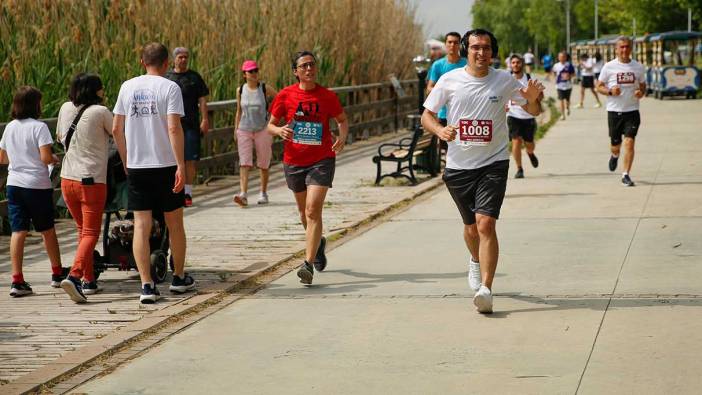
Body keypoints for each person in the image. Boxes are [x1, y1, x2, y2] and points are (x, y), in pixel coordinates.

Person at [421, 29, 543, 313]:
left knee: (486, 224)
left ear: (492, 52)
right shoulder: (449, 80)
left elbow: (533, 109)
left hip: (494, 163)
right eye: (475, 47)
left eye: (486, 48)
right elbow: (427, 115)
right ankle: (475, 261)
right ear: (466, 50)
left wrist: (535, 99)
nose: (481, 53)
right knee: (470, 228)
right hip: (459, 166)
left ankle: (486, 289)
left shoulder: (503, 80)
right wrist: (440, 129)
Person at [113, 42, 195, 304]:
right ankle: (179, 278)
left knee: (141, 225)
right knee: (175, 224)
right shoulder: (170, 87)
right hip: (166, 165)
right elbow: (174, 128)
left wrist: (127, 161)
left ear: (142, 61)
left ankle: (146, 285)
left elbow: (116, 129)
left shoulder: (127, 87)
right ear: (165, 63)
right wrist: (181, 164)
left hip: (137, 165)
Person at [267, 51, 349, 285]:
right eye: (304, 66)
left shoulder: (327, 96)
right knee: (304, 213)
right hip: (293, 160)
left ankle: (308, 264)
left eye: (312, 64)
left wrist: (342, 137)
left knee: (313, 210)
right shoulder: (285, 95)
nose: (309, 69)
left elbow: (342, 119)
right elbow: (269, 126)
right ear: (296, 72)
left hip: (321, 158)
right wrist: (280, 130)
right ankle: (318, 244)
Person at [0, 86, 67, 297]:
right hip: (36, 185)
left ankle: (17, 279)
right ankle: (57, 273)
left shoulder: (10, 127)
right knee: (46, 229)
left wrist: (20, 158)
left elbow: (2, 158)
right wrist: (54, 159)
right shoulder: (39, 127)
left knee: (18, 230)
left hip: (14, 184)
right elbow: (46, 157)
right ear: (34, 104)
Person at [56, 73, 113, 303]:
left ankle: (89, 280)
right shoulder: (101, 112)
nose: (103, 91)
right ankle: (76, 276)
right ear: (95, 91)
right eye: (101, 88)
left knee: (82, 230)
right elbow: (119, 134)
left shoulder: (64, 108)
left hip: (67, 179)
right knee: (91, 233)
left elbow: (60, 137)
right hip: (91, 181)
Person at [595, 36, 646, 187]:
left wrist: (640, 93)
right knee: (615, 144)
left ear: (631, 49)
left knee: (629, 143)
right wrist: (610, 91)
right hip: (614, 111)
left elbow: (643, 86)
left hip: (632, 111)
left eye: (627, 47)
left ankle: (625, 174)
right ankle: (614, 155)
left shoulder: (638, 67)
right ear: (616, 50)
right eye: (621, 47)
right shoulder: (609, 67)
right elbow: (599, 86)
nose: (624, 50)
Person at [165, 47, 210, 207]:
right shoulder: (167, 77)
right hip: (172, 124)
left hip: (191, 124)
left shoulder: (194, 77)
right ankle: (175, 190)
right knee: (173, 158)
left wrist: (204, 119)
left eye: (185, 57)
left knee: (190, 159)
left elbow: (203, 99)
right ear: (174, 59)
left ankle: (188, 193)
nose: (183, 60)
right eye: (180, 57)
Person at [233, 60, 278, 206]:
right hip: (244, 129)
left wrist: (272, 119)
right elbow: (239, 111)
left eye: (256, 70)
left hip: (263, 129)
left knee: (263, 163)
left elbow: (279, 100)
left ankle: (263, 192)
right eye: (250, 71)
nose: (254, 74)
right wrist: (236, 128)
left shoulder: (265, 88)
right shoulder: (240, 90)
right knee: (244, 163)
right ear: (244, 74)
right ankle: (243, 194)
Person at [507, 54, 542, 179]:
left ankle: (530, 153)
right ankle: (519, 168)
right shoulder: (507, 79)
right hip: (513, 115)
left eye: (518, 62)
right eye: (513, 62)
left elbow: (540, 96)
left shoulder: (530, 79)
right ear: (510, 65)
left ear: (522, 64)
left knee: (530, 144)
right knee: (516, 141)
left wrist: (536, 95)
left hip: (528, 116)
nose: (516, 64)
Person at [427, 32, 468, 127]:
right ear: (445, 44)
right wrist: (445, 93)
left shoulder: (467, 64)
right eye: (449, 42)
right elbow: (429, 88)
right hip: (444, 114)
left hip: (465, 114)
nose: (452, 45)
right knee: (444, 141)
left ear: (460, 45)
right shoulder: (437, 65)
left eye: (455, 42)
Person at [552, 51, 575, 120]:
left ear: (565, 57)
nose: (561, 58)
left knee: (567, 100)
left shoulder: (569, 65)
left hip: (568, 86)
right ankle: (562, 115)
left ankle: (567, 107)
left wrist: (569, 76)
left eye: (563, 57)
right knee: (561, 100)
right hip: (559, 86)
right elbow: (553, 73)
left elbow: (574, 74)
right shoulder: (556, 65)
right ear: (558, 58)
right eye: (560, 57)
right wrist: (554, 79)